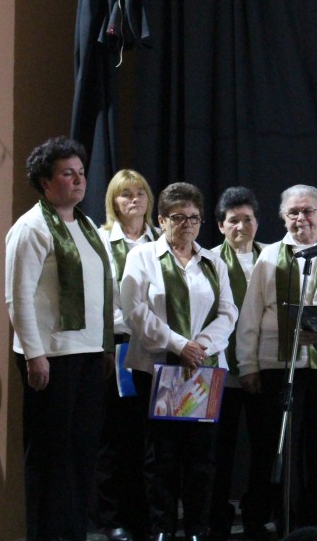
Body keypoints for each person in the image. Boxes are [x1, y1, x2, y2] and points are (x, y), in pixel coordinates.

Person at [6, 136, 115, 541]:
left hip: (87, 354)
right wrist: (34, 355)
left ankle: (73, 533)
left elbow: (101, 292)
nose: (79, 180)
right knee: (50, 456)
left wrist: (104, 346)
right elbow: (18, 297)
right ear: (45, 181)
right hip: (51, 357)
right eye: (68, 173)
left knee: (81, 452)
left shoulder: (87, 228)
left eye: (81, 172)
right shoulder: (31, 228)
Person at [121, 182, 239, 541]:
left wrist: (199, 345)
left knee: (201, 456)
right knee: (162, 456)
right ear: (161, 220)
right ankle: (162, 528)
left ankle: (197, 529)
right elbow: (134, 311)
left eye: (194, 217)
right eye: (178, 217)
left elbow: (228, 312)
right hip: (157, 369)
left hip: (203, 369)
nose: (187, 224)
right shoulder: (142, 257)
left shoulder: (213, 261)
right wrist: (178, 344)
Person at [237, 185, 317, 536]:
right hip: (278, 367)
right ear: (282, 217)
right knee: (280, 450)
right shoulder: (270, 256)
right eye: (293, 212)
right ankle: (284, 521)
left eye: (308, 211)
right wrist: (248, 365)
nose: (301, 218)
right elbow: (250, 314)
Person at [95, 169, 160, 541]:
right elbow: (103, 301)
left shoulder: (160, 239)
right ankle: (112, 517)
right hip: (121, 345)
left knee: (151, 438)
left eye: (140, 192)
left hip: (158, 348)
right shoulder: (104, 240)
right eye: (125, 194)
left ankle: (146, 517)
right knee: (118, 436)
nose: (133, 199)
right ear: (113, 202)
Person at [209, 186, 265, 541]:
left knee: (261, 449)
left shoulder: (271, 258)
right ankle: (216, 519)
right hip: (221, 370)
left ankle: (257, 516)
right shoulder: (209, 260)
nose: (241, 227)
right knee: (219, 450)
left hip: (262, 368)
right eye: (233, 221)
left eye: (247, 219)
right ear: (220, 226)